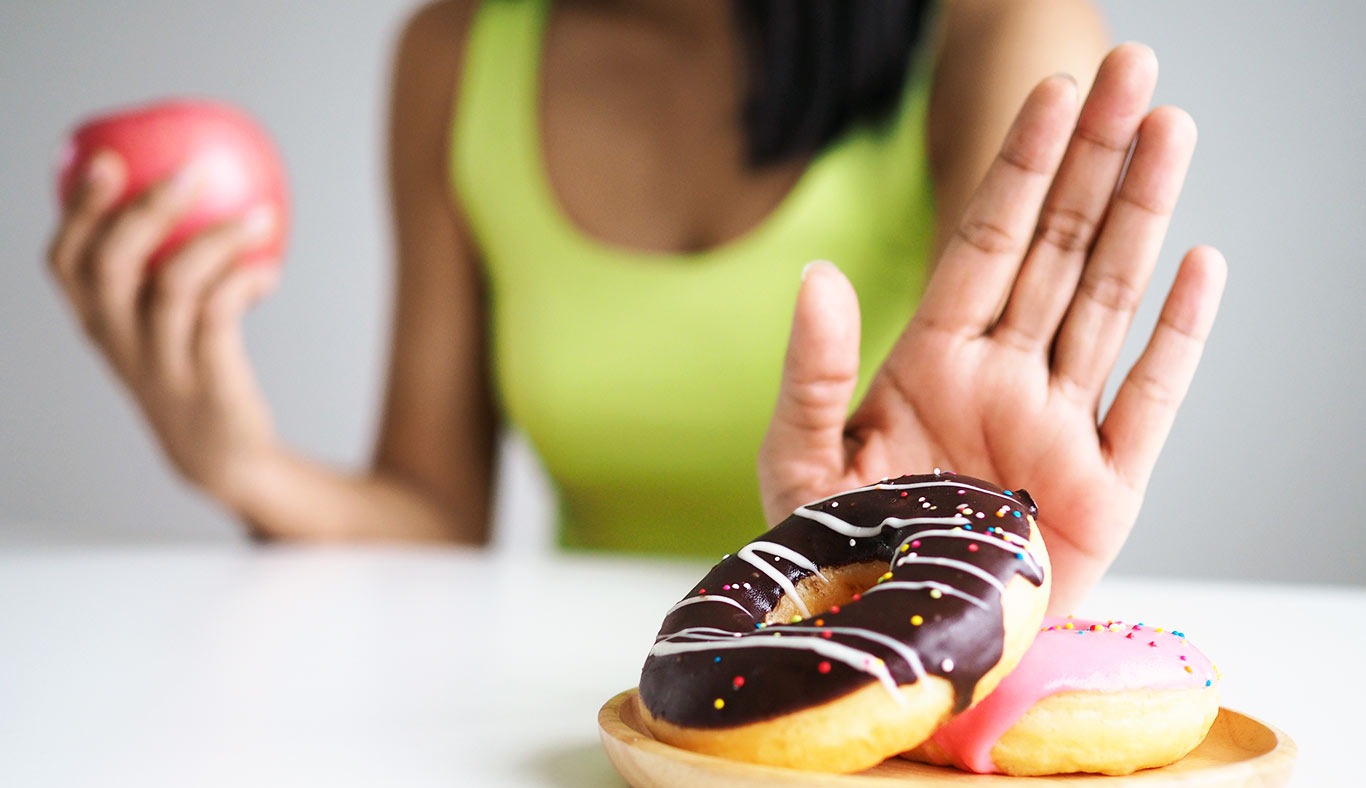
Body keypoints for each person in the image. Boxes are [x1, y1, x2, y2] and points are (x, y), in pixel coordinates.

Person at [45, 0, 1225, 613]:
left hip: (879, 707)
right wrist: (238, 459)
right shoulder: (457, 51)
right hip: (559, 729)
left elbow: (1009, 499)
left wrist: (934, 549)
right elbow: (433, 513)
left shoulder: (997, 34)